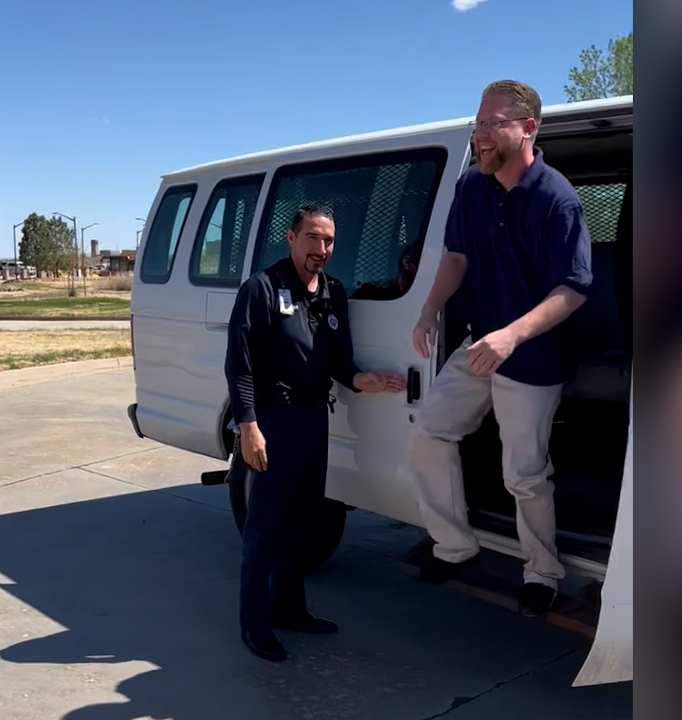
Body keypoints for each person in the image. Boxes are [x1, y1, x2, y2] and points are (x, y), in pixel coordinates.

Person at [408, 80, 593, 617]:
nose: (480, 135)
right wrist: (427, 310)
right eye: (477, 124)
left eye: (491, 124)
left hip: (533, 354)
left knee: (524, 475)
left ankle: (542, 572)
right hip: (480, 342)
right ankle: (456, 545)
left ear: (527, 128)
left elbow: (575, 288)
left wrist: (513, 334)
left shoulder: (556, 198)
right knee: (428, 434)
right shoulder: (471, 186)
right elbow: (457, 257)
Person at [225, 203, 406, 662]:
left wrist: (365, 380)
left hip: (313, 420)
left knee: (305, 524)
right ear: (291, 238)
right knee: (264, 527)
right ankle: (254, 623)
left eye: (328, 241)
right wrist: (248, 427)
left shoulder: (332, 293)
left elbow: (340, 362)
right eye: (312, 238)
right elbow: (240, 364)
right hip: (273, 420)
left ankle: (290, 609)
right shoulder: (262, 289)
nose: (320, 249)